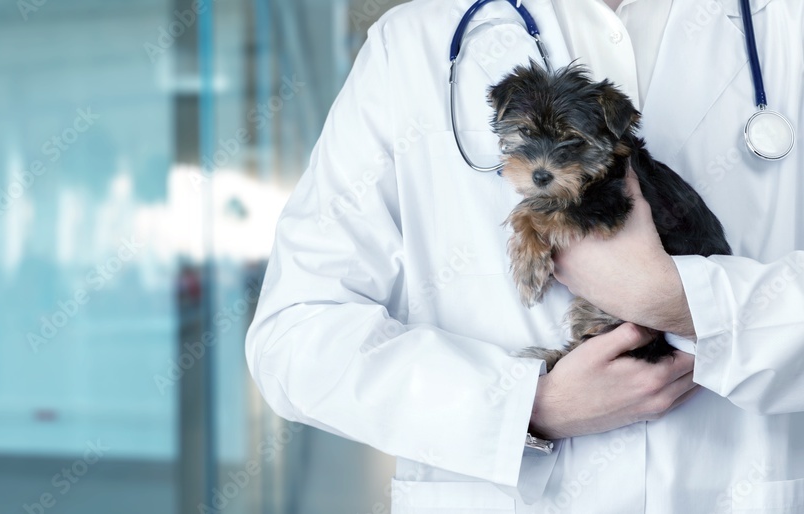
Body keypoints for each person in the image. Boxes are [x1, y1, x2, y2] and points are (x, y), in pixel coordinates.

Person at [245, 0, 804, 512]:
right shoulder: (415, 43)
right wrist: (522, 410)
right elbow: (297, 335)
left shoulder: (787, 28)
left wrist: (681, 304)